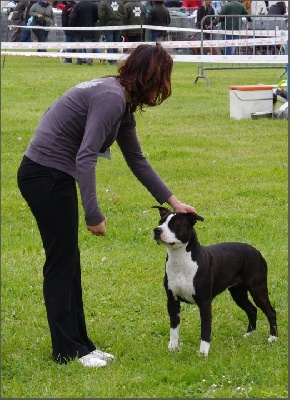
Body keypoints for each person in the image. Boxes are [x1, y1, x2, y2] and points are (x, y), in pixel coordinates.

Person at [17, 43, 196, 368]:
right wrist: (93, 212)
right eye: (163, 78)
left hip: (52, 175)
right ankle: (67, 350)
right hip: (44, 176)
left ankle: (81, 345)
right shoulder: (111, 98)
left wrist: (173, 201)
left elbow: (137, 160)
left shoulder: (121, 102)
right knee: (61, 263)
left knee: (69, 262)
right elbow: (86, 155)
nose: (163, 87)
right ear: (150, 76)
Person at [69, 0, 99, 66]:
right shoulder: (93, 5)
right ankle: (89, 61)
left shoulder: (77, 5)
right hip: (90, 27)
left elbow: (72, 17)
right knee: (89, 44)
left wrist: (73, 25)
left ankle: (79, 60)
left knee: (79, 44)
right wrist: (92, 22)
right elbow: (96, 16)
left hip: (79, 28)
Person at [98, 0, 125, 65]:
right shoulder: (120, 2)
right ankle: (115, 60)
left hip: (108, 25)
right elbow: (124, 13)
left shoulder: (103, 3)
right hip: (118, 25)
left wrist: (102, 26)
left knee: (110, 44)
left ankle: (111, 60)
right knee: (116, 43)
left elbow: (101, 16)